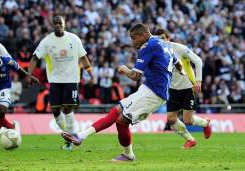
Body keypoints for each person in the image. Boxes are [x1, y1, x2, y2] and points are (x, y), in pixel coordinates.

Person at [62, 23, 183, 161]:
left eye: (134, 38)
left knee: (121, 122)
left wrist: (124, 68)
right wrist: (182, 74)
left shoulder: (147, 46)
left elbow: (135, 76)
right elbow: (178, 63)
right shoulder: (165, 43)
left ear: (143, 35)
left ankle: (128, 154)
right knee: (116, 111)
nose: (133, 41)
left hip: (154, 93)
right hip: (149, 88)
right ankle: (81, 136)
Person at [26, 15, 94, 150]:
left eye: (60, 23)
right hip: (55, 80)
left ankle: (71, 140)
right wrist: (28, 74)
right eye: (55, 23)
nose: (58, 25)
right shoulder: (47, 41)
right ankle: (69, 135)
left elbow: (83, 57)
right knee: (55, 110)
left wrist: (91, 74)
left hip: (71, 79)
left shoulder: (74, 39)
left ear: (64, 24)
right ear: (52, 25)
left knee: (68, 108)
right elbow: (35, 58)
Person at [155, 28, 212, 149]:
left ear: (168, 38)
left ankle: (205, 123)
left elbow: (198, 60)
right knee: (171, 119)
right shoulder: (157, 53)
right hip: (172, 89)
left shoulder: (179, 48)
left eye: (163, 38)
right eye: (159, 40)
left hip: (187, 87)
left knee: (188, 120)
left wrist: (198, 80)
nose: (161, 41)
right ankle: (190, 140)